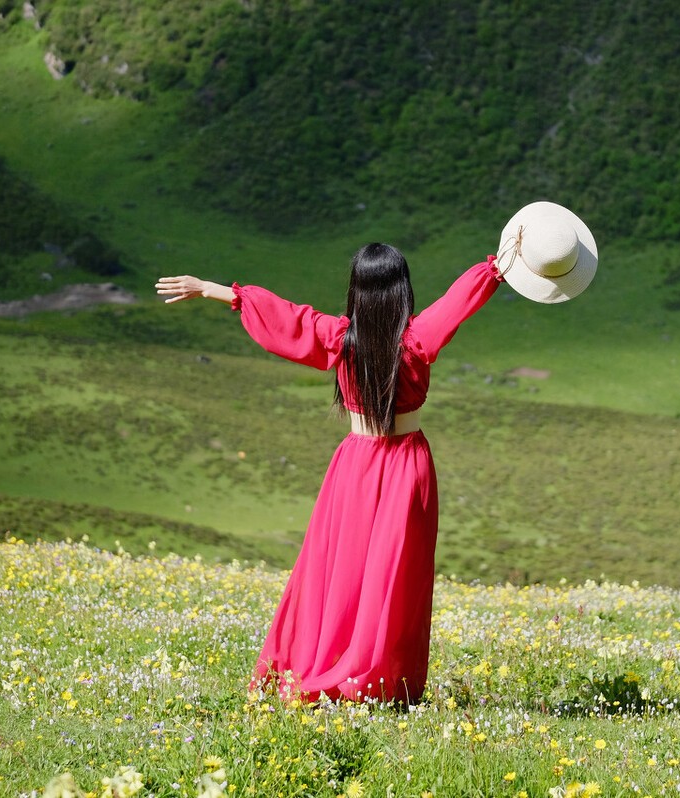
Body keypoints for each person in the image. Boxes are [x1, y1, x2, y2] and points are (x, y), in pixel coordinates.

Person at [156, 243, 502, 704]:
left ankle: (331, 664)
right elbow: (459, 301)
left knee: (339, 569)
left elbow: (284, 316)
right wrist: (496, 269)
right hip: (407, 467)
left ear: (356, 291)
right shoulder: (417, 339)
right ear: (402, 290)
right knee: (395, 575)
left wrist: (211, 290)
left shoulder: (339, 338)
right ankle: (385, 679)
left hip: (355, 466)